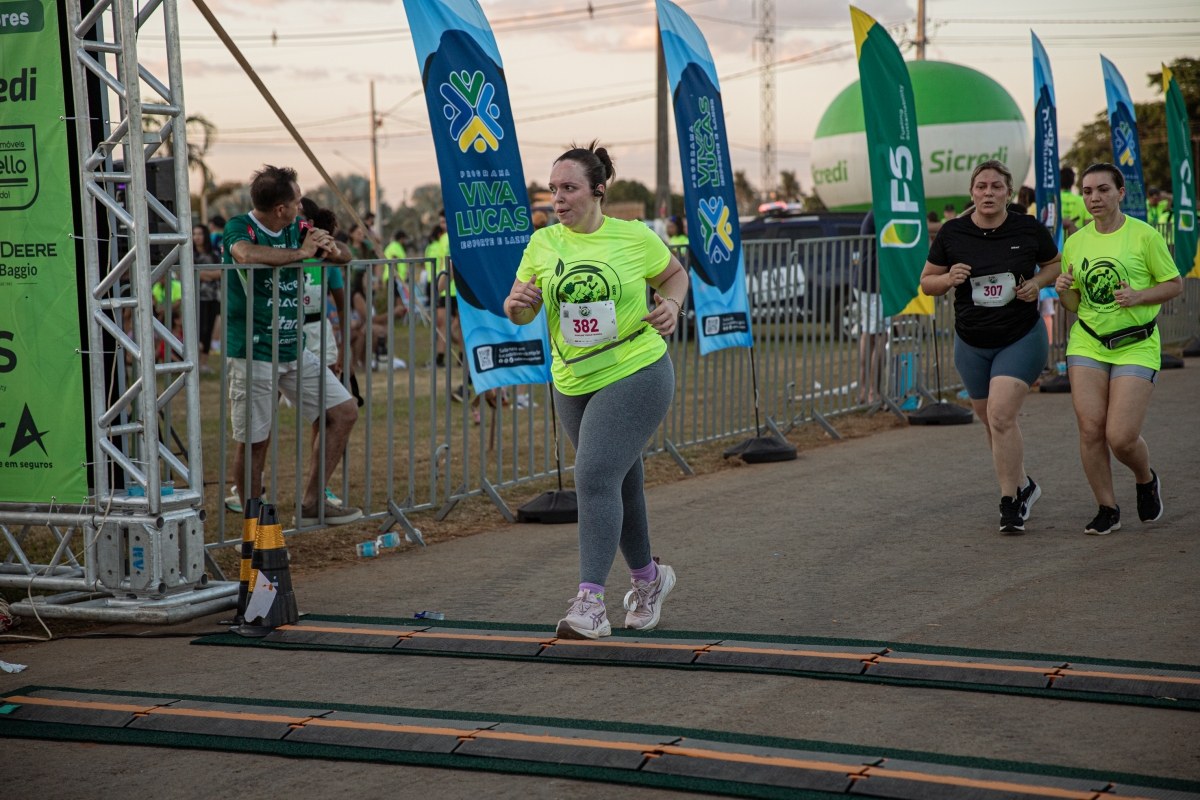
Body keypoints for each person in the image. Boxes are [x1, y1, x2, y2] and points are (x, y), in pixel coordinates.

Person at [504, 142, 688, 639]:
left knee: (592, 476)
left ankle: (590, 604)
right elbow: (522, 308)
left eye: (569, 188)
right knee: (618, 481)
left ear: (598, 190)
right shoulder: (543, 243)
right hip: (572, 380)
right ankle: (649, 580)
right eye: (553, 189)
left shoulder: (633, 236)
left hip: (636, 369)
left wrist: (671, 306)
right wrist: (515, 305)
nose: (557, 199)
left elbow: (675, 276)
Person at [920, 160, 1062, 533]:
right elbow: (927, 282)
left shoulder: (1028, 228)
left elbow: (1054, 264)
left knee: (1000, 416)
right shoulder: (953, 233)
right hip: (971, 342)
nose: (988, 193)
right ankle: (1024, 484)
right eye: (981, 186)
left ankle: (1009, 503)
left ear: (1008, 193)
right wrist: (947, 279)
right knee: (990, 421)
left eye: (996, 186)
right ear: (971, 192)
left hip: (1020, 336)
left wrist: (1037, 283)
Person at [223, 165, 362, 526]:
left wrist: (328, 248)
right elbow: (246, 255)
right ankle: (255, 528)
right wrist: (302, 254)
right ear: (280, 208)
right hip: (253, 351)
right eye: (297, 202)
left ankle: (314, 502)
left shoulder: (297, 227)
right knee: (255, 441)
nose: (303, 207)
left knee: (344, 411)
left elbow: (345, 254)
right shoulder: (240, 227)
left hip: (293, 348)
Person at [1053, 163, 1182, 535]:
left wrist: (1140, 296)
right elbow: (1075, 304)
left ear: (1120, 193)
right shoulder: (1075, 242)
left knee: (1121, 437)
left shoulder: (1144, 236)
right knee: (1090, 428)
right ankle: (1107, 508)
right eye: (1088, 191)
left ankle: (1145, 478)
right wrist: (1063, 291)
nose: (1094, 198)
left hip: (1135, 344)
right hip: (1089, 341)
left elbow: (1174, 284)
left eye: (1103, 190)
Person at [856, 210, 889, 405]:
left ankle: (865, 391)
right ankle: (872, 392)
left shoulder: (879, 209)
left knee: (869, 334)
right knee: (879, 336)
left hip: (870, 281)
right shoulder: (881, 210)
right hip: (873, 283)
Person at [193, 224, 221, 371]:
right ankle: (195, 362)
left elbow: (221, 272)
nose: (197, 237)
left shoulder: (214, 255)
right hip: (198, 297)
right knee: (199, 329)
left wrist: (204, 274)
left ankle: (203, 363)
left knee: (209, 329)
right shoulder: (191, 255)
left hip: (214, 297)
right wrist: (210, 274)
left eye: (200, 233)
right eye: (194, 234)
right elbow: (196, 275)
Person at [1060, 167, 1091, 236]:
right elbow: (1089, 229)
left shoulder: (1053, 202)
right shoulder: (1083, 201)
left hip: (1055, 242)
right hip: (1078, 241)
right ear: (1073, 181)